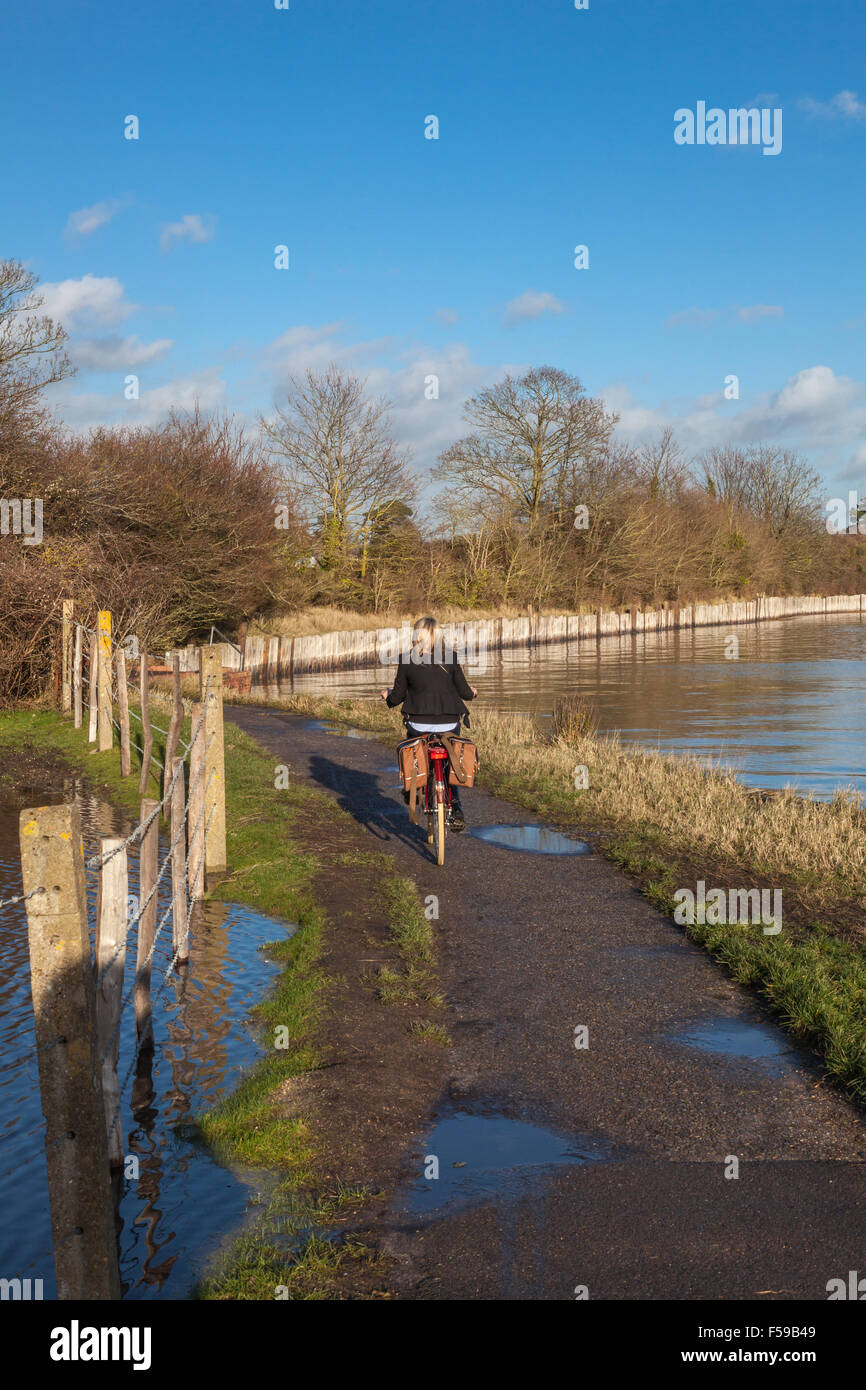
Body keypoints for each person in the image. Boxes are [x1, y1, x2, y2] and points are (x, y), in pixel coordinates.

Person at [380, 615, 477, 830]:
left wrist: (387, 695)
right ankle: (456, 807)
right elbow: (464, 692)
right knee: (450, 761)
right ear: (439, 635)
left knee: (414, 750)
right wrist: (473, 693)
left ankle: (411, 789)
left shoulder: (407, 660)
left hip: (418, 725)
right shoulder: (450, 658)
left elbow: (397, 697)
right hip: (449, 725)